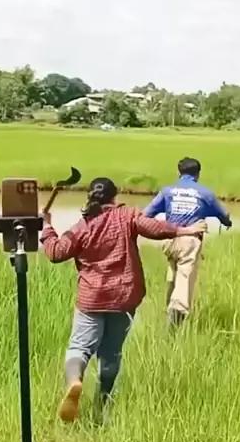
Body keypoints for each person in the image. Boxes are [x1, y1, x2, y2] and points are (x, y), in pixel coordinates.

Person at [40, 176, 208, 423]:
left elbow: (56, 252)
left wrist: (47, 227)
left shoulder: (83, 226)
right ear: (114, 196)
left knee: (79, 348)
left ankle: (75, 381)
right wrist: (185, 230)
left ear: (90, 197)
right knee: (111, 354)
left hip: (92, 299)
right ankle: (102, 409)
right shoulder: (126, 215)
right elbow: (154, 228)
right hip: (123, 298)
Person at [143, 157, 232, 325]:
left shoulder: (168, 191)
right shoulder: (205, 193)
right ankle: (176, 318)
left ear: (178, 173)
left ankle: (168, 309)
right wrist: (227, 222)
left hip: (169, 239)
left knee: (173, 274)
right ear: (198, 174)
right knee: (185, 277)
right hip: (189, 241)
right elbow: (223, 215)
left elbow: (146, 214)